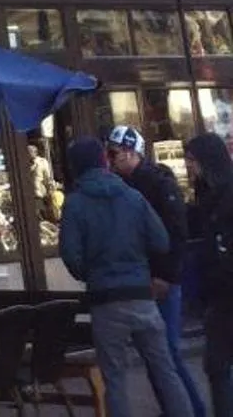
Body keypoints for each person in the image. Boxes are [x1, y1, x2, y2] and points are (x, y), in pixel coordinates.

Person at [60, 133, 194, 417]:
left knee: (115, 379)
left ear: (74, 167)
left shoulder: (74, 203)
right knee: (164, 369)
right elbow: (160, 240)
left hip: (105, 300)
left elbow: (71, 255)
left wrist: (90, 273)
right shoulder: (132, 196)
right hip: (141, 295)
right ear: (103, 162)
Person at [110, 129, 208, 417]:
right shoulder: (126, 185)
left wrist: (167, 275)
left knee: (167, 353)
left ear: (130, 151)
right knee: (156, 355)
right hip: (143, 279)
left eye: (114, 153)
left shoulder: (155, 183)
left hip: (161, 281)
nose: (110, 159)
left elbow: (176, 232)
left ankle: (193, 409)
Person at [185, 134, 233, 417]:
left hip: (227, 287)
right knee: (215, 365)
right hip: (217, 294)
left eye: (191, 160)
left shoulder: (227, 194)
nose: (188, 166)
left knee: (218, 363)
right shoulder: (204, 196)